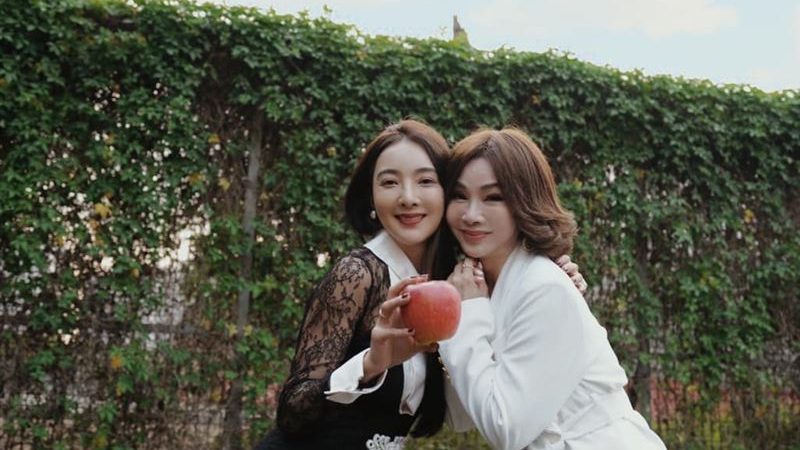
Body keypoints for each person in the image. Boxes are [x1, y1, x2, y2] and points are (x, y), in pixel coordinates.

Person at [253, 120, 586, 449]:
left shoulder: (457, 280)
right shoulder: (358, 275)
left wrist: (555, 275)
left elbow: (470, 399)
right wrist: (370, 365)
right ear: (371, 196)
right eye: (389, 182)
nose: (408, 198)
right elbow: (292, 414)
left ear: (446, 193)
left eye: (425, 181)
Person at [437, 128, 666, 450]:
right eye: (460, 196)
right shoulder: (484, 286)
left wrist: (467, 315)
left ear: (524, 201)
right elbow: (461, 415)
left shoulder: (543, 287)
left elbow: (505, 428)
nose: (471, 215)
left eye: (493, 197)